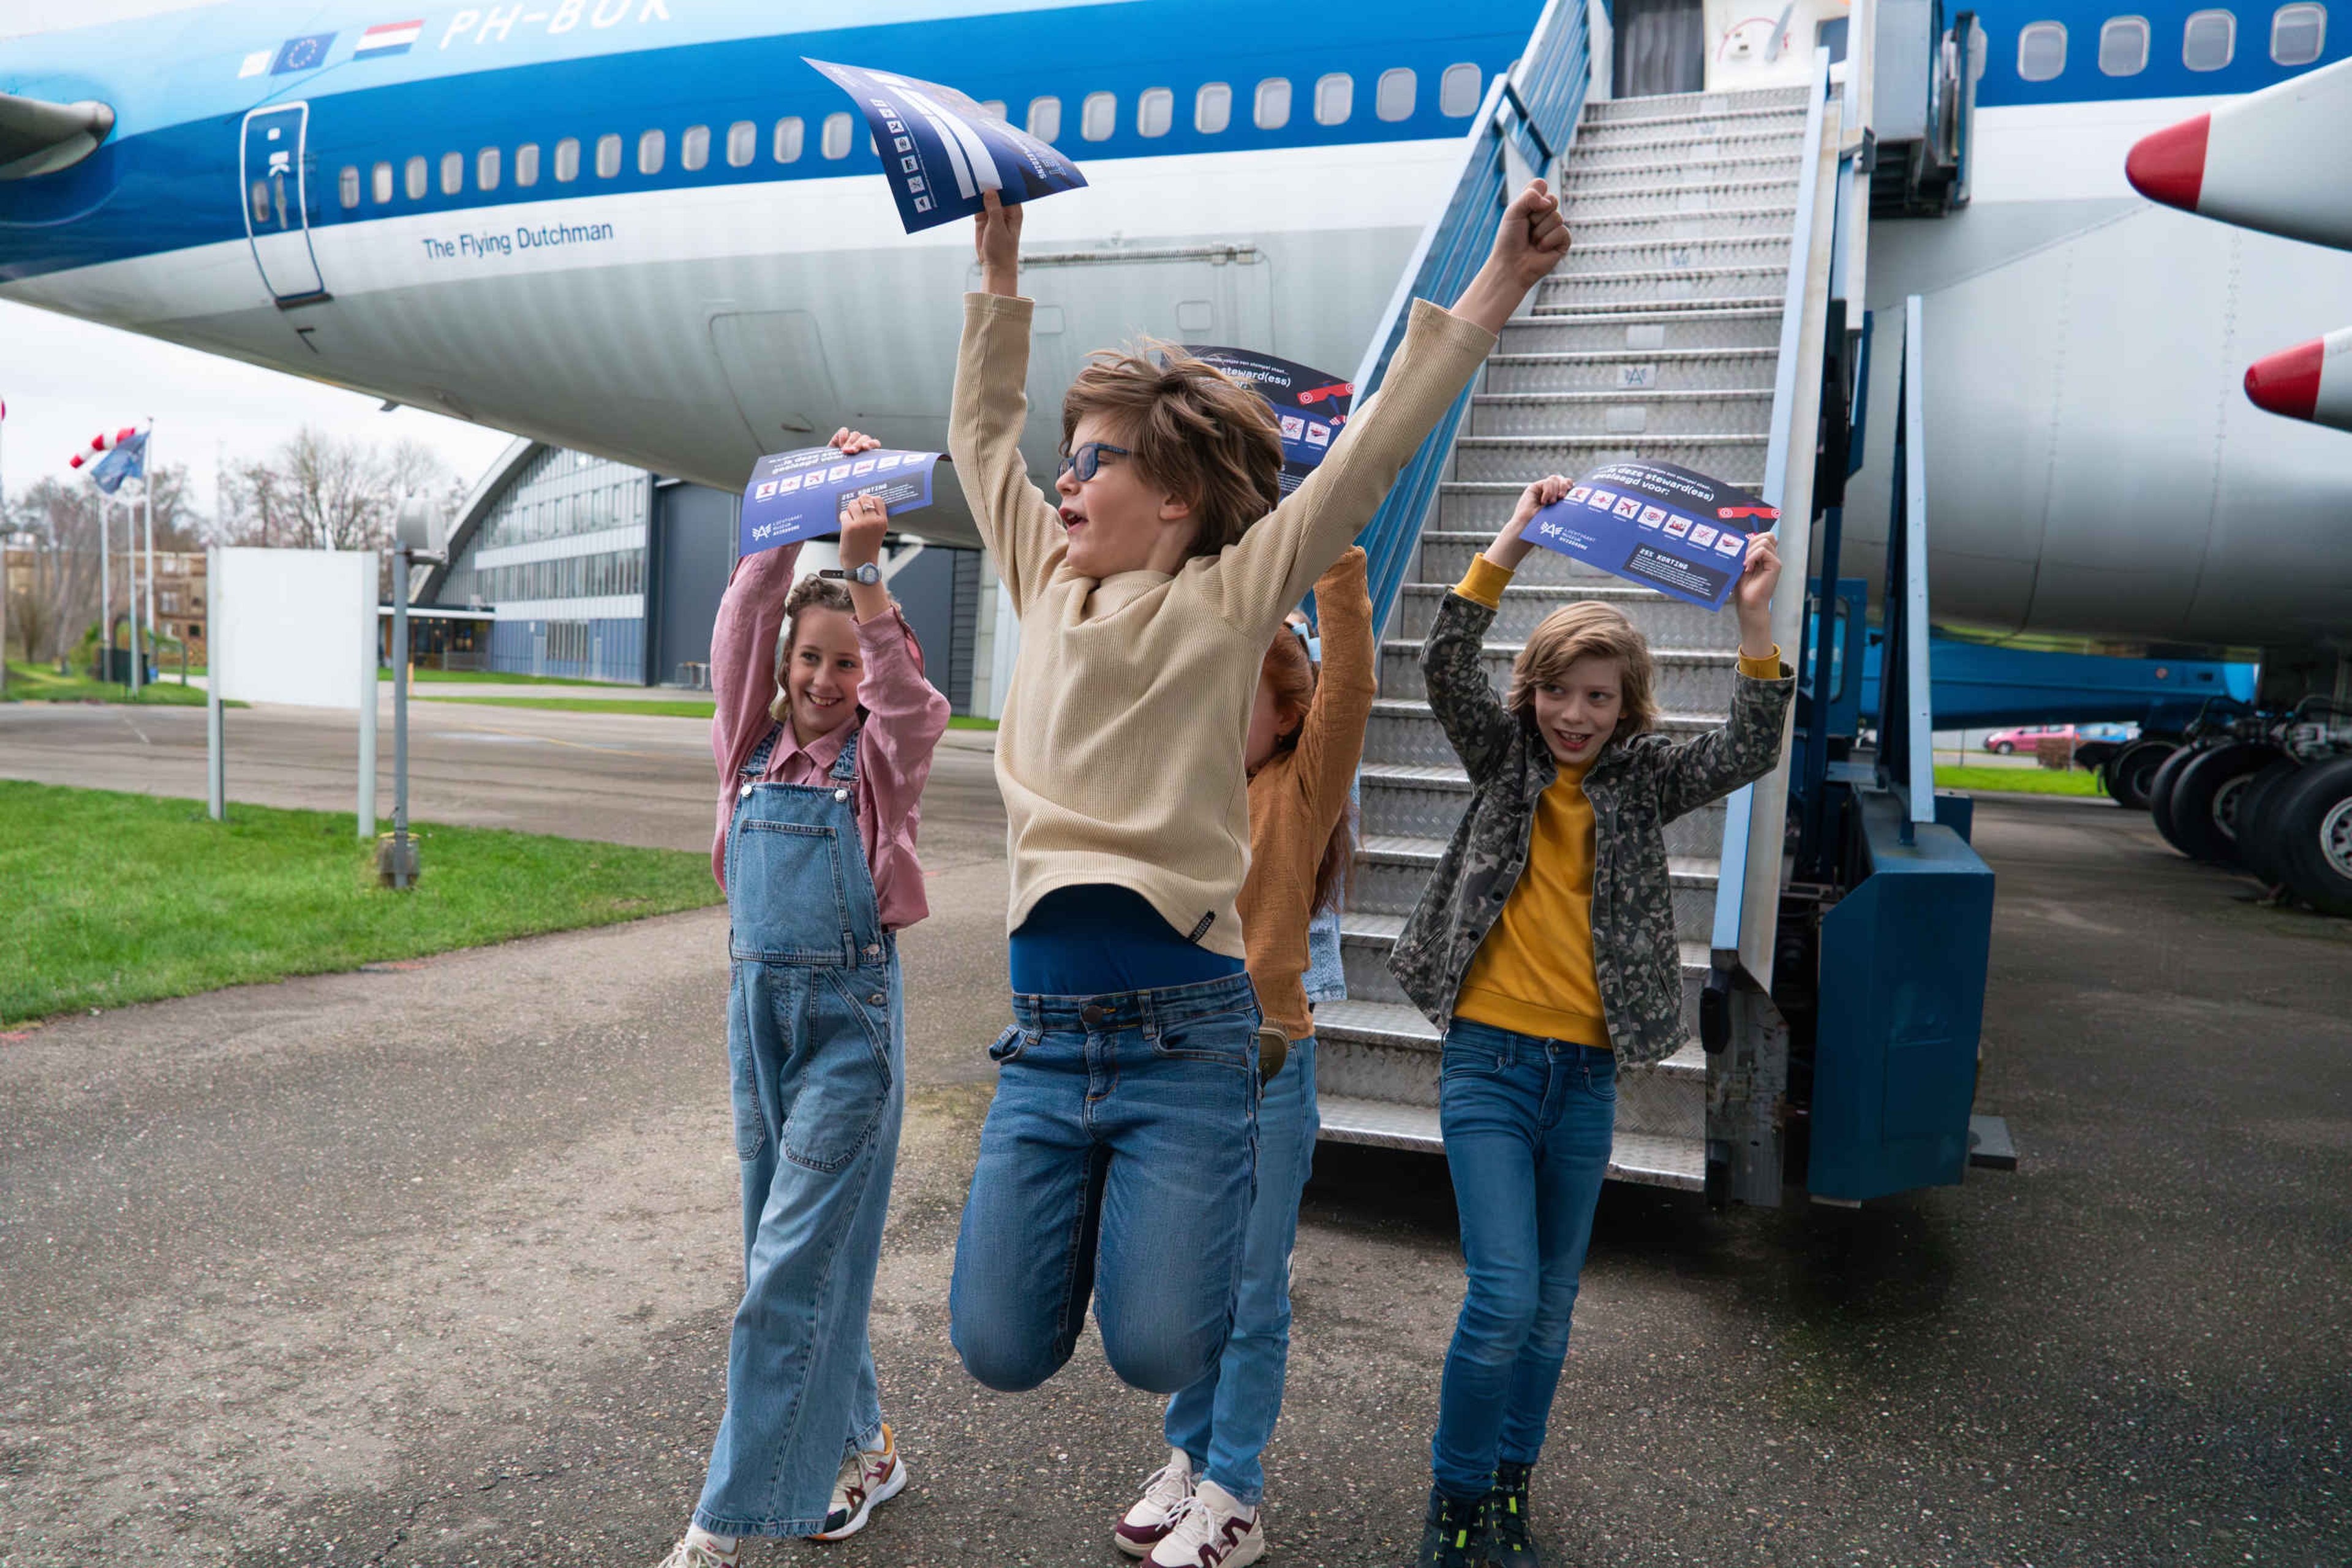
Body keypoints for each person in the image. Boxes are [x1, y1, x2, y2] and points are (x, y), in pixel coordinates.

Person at [944, 179, 1569, 1405]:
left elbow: (1374, 449)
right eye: (1064, 460)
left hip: (1190, 1034)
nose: (1060, 481)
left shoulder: (1228, 599)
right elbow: (979, 433)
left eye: (1094, 463)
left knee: (1163, 1349)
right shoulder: (1041, 578)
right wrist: (999, 264)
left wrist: (1501, 281)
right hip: (1047, 1041)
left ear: (1175, 498)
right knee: (1000, 1349)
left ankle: (1183, 1169)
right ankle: (1096, 1192)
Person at [1387, 477, 1793, 1568]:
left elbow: (1751, 748)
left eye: (1601, 698)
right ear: (1533, 695)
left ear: (1629, 708)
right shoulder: (1503, 756)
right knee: (1504, 1298)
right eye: (1562, 692)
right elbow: (1441, 662)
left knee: (1554, 1313)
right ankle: (1455, 1504)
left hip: (1587, 1078)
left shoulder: (1642, 781)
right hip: (1490, 1063)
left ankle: (1511, 1492)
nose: (1577, 715)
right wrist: (1514, 539)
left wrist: (1754, 619)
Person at [657, 431, 952, 1567]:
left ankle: (726, 1522)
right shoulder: (748, 748)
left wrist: (868, 572)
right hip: (756, 1028)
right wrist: (804, 504)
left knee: (784, 1274)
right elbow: (742, 623)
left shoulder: (880, 761)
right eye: (809, 660)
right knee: (790, 1252)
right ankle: (865, 1447)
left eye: (844, 664)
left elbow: (912, 703)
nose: (825, 682)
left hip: (848, 1032)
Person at [1115, 547, 1376, 1567]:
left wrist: (1334, 552)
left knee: (1253, 1291)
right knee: (1192, 1286)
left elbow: (1350, 676)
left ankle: (1235, 1492)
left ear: (1286, 714)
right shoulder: (1186, 785)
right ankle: (1188, 1459)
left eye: (1240, 698)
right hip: (1181, 1067)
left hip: (1265, 1067)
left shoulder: (1299, 788)